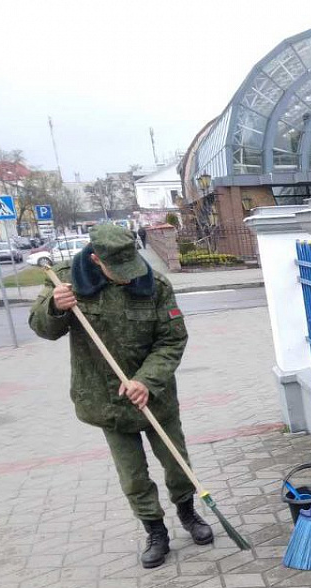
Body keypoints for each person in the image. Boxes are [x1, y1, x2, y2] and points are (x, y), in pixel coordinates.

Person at [29, 223, 213, 568]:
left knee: (176, 462)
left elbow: (173, 339)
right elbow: (42, 328)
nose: (129, 277)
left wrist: (145, 380)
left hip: (155, 396)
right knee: (133, 475)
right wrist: (54, 307)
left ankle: (188, 513)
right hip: (106, 400)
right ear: (96, 260)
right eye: (119, 270)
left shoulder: (155, 285)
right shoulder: (65, 281)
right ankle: (155, 531)